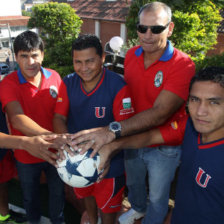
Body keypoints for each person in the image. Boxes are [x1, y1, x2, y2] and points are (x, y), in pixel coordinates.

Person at [69, 2, 195, 224]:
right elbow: (127, 97)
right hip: (131, 137)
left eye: (156, 29)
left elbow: (159, 114)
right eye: (141, 28)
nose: (147, 35)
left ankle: (152, 220)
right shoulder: (132, 55)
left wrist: (111, 131)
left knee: (157, 195)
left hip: (163, 143)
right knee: (134, 182)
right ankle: (137, 208)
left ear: (170, 28)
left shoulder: (182, 64)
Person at [98, 66, 224, 224]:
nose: (200, 111)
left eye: (214, 102)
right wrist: (111, 146)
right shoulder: (190, 126)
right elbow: (151, 137)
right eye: (195, 99)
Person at [53, 34, 134, 224]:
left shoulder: (118, 86)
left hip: (110, 165)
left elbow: (126, 129)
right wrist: (65, 139)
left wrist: (108, 153)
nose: (83, 68)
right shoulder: (68, 82)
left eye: (89, 61)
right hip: (76, 158)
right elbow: (58, 116)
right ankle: (91, 218)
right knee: (86, 196)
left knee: (107, 210)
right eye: (78, 62)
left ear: (102, 58)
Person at [0, 30, 65, 224]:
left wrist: (59, 140)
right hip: (27, 153)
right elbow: (17, 119)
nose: (31, 62)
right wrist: (54, 137)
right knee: (30, 196)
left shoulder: (54, 76)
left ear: (43, 55)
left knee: (58, 194)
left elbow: (61, 114)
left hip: (56, 151)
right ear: (16, 58)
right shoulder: (8, 83)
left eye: (35, 55)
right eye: (24, 56)